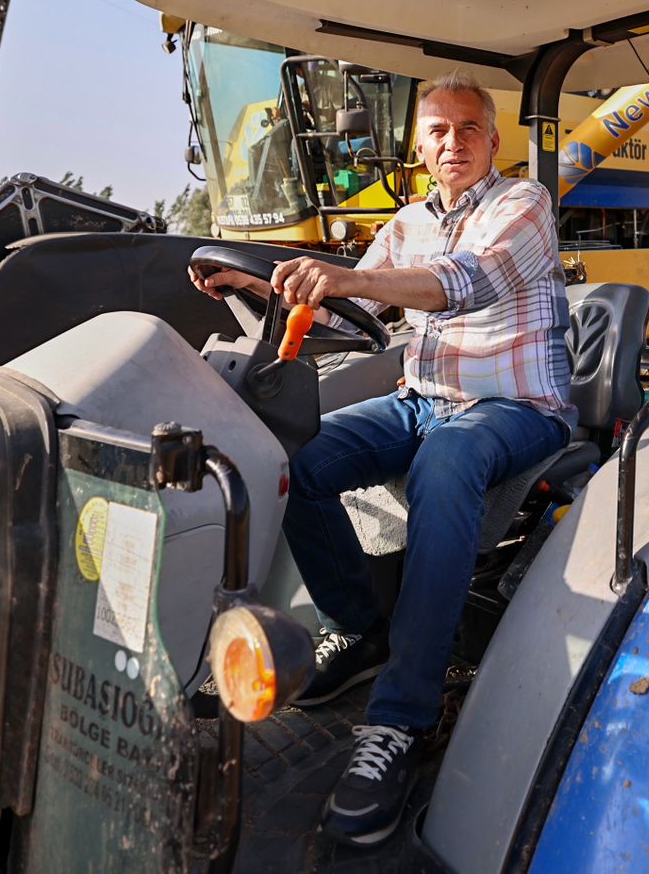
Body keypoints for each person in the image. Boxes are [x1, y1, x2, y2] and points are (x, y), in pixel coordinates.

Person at [190, 73, 572, 848]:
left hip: (518, 406)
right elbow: (351, 306)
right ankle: (360, 629)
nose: (454, 142)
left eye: (469, 128)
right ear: (421, 144)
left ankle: (403, 715)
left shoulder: (522, 205)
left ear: (494, 141)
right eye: (438, 130)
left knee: (447, 461)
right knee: (296, 455)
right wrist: (259, 280)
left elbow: (468, 283)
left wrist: (351, 275)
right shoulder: (407, 221)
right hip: (424, 396)